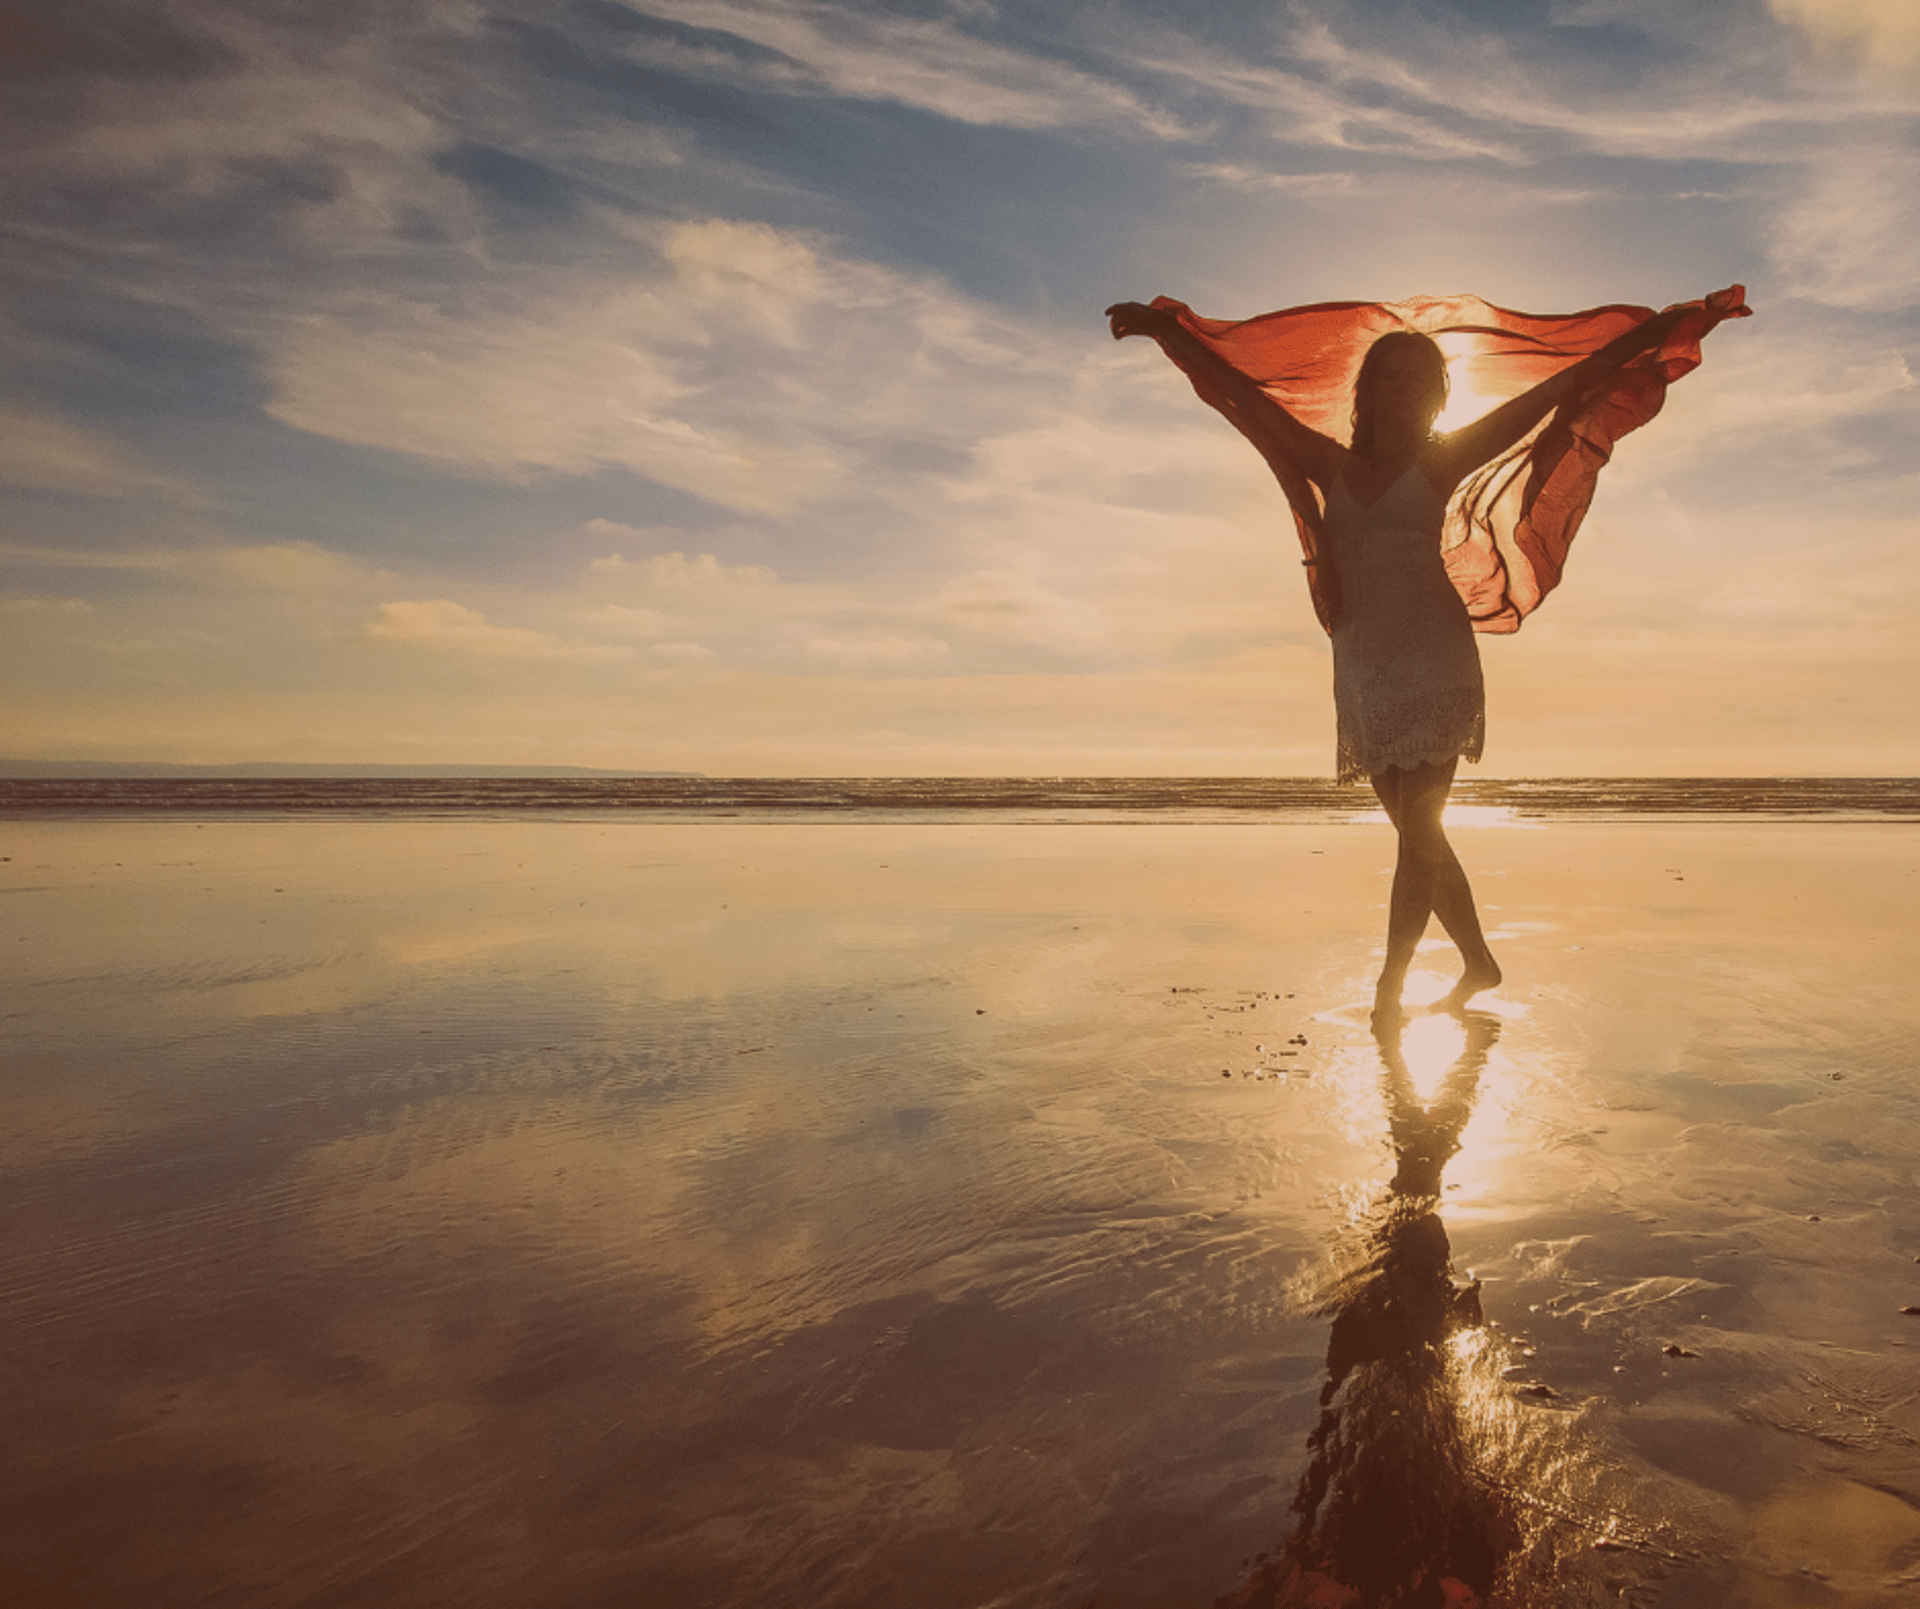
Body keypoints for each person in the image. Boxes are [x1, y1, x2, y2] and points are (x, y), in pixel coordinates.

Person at [1105, 291, 1721, 1026]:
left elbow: (1558, 390)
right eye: (1384, 376)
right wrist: (1164, 331)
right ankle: (1480, 961)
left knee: (1420, 834)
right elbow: (1242, 399)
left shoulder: (1442, 461)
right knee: (1416, 835)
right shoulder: (1324, 463)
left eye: (1413, 379)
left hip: (1434, 656)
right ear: (1365, 393)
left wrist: (1663, 329)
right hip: (1362, 662)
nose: (1397, 388)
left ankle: (1387, 992)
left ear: (1434, 397)